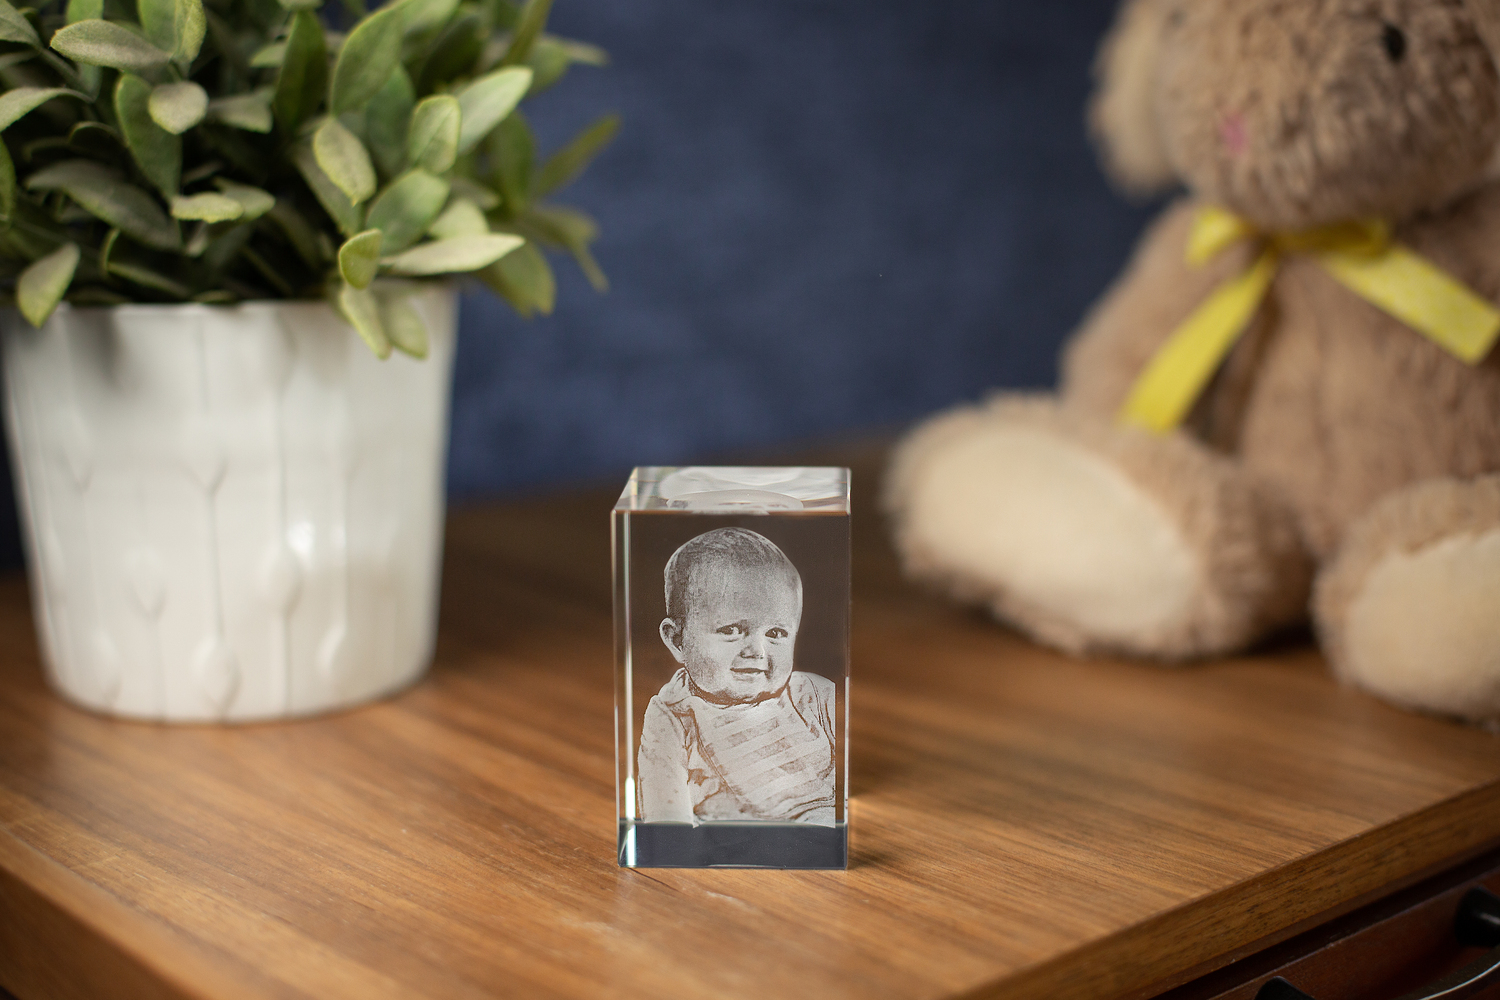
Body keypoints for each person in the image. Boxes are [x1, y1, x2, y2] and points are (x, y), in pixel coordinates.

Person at [637, 527, 836, 824]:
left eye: (775, 633)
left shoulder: (812, 695)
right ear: (678, 640)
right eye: (731, 630)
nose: (756, 651)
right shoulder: (674, 716)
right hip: (732, 837)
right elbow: (664, 816)